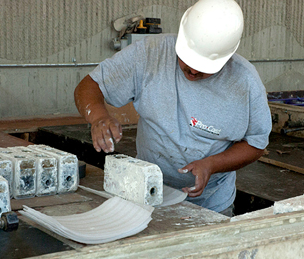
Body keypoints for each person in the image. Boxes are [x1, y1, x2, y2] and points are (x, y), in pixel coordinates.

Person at [74, 0, 272, 217]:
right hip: (144, 195)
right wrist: (99, 117)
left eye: (205, 68)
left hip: (211, 205)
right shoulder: (150, 54)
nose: (193, 71)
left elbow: (256, 144)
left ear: (227, 57)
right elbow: (89, 86)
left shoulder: (245, 83)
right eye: (186, 61)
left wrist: (212, 165)